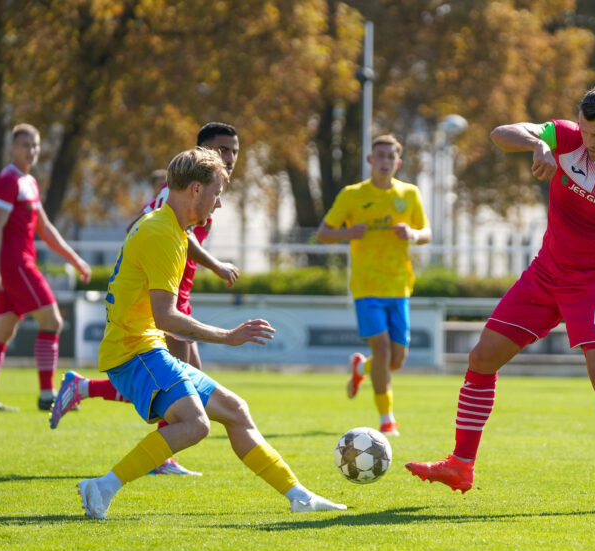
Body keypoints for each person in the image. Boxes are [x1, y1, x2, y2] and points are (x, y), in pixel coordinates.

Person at [405, 86, 595, 513]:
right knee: (482, 358)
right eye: (585, 131)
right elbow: (501, 132)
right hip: (545, 275)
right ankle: (461, 464)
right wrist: (538, 143)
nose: (589, 143)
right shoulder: (565, 137)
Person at [76, 147, 345, 519]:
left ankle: (299, 496)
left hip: (144, 347)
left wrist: (215, 265)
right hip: (133, 350)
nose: (218, 205)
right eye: (217, 193)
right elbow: (166, 317)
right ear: (195, 190)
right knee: (194, 425)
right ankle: (102, 487)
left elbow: (180, 253)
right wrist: (228, 336)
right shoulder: (161, 234)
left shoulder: (165, 224)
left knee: (235, 410)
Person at [50, 122, 241, 476]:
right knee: (181, 386)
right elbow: (140, 227)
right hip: (163, 302)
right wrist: (213, 265)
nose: (228, 157)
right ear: (203, 150)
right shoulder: (179, 196)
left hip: (177, 295)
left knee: (184, 383)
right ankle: (150, 458)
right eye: (221, 150)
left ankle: (86, 389)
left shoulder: (208, 194)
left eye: (233, 151)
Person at [316, 134, 431, 437]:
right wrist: (348, 232)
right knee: (380, 350)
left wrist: (413, 234)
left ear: (398, 162)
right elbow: (323, 233)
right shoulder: (352, 195)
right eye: (379, 155)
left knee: (396, 360)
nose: (384, 161)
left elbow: (427, 232)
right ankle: (387, 419)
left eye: (390, 156)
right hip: (366, 287)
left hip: (399, 286)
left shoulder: (409, 194)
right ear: (370, 160)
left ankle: (361, 369)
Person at [0, 123, 92, 412]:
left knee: (2, 330)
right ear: (12, 148)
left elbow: (46, 229)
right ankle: (46, 395)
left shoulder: (29, 182)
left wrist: (74, 259)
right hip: (16, 266)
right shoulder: (8, 181)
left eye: (35, 145)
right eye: (25, 145)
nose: (31, 150)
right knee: (52, 321)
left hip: (16, 265)